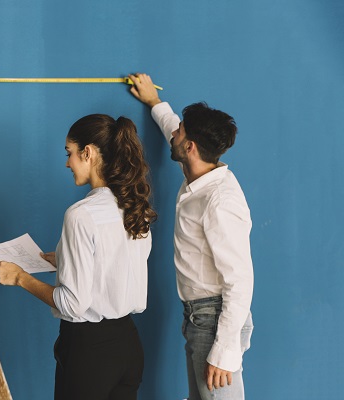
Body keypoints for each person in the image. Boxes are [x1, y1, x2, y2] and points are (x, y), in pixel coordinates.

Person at [0, 114, 157, 399]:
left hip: (89, 352)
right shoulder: (135, 207)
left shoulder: (81, 214)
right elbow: (115, 266)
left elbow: (73, 304)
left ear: (89, 153)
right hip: (129, 346)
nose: (67, 163)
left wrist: (20, 277)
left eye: (70, 153)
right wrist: (62, 260)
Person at [128, 73, 254, 400]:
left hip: (214, 322)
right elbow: (172, 125)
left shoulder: (219, 202)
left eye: (180, 132)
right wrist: (154, 102)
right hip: (198, 319)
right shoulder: (200, 172)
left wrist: (224, 353)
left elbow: (240, 281)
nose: (175, 132)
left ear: (190, 147)